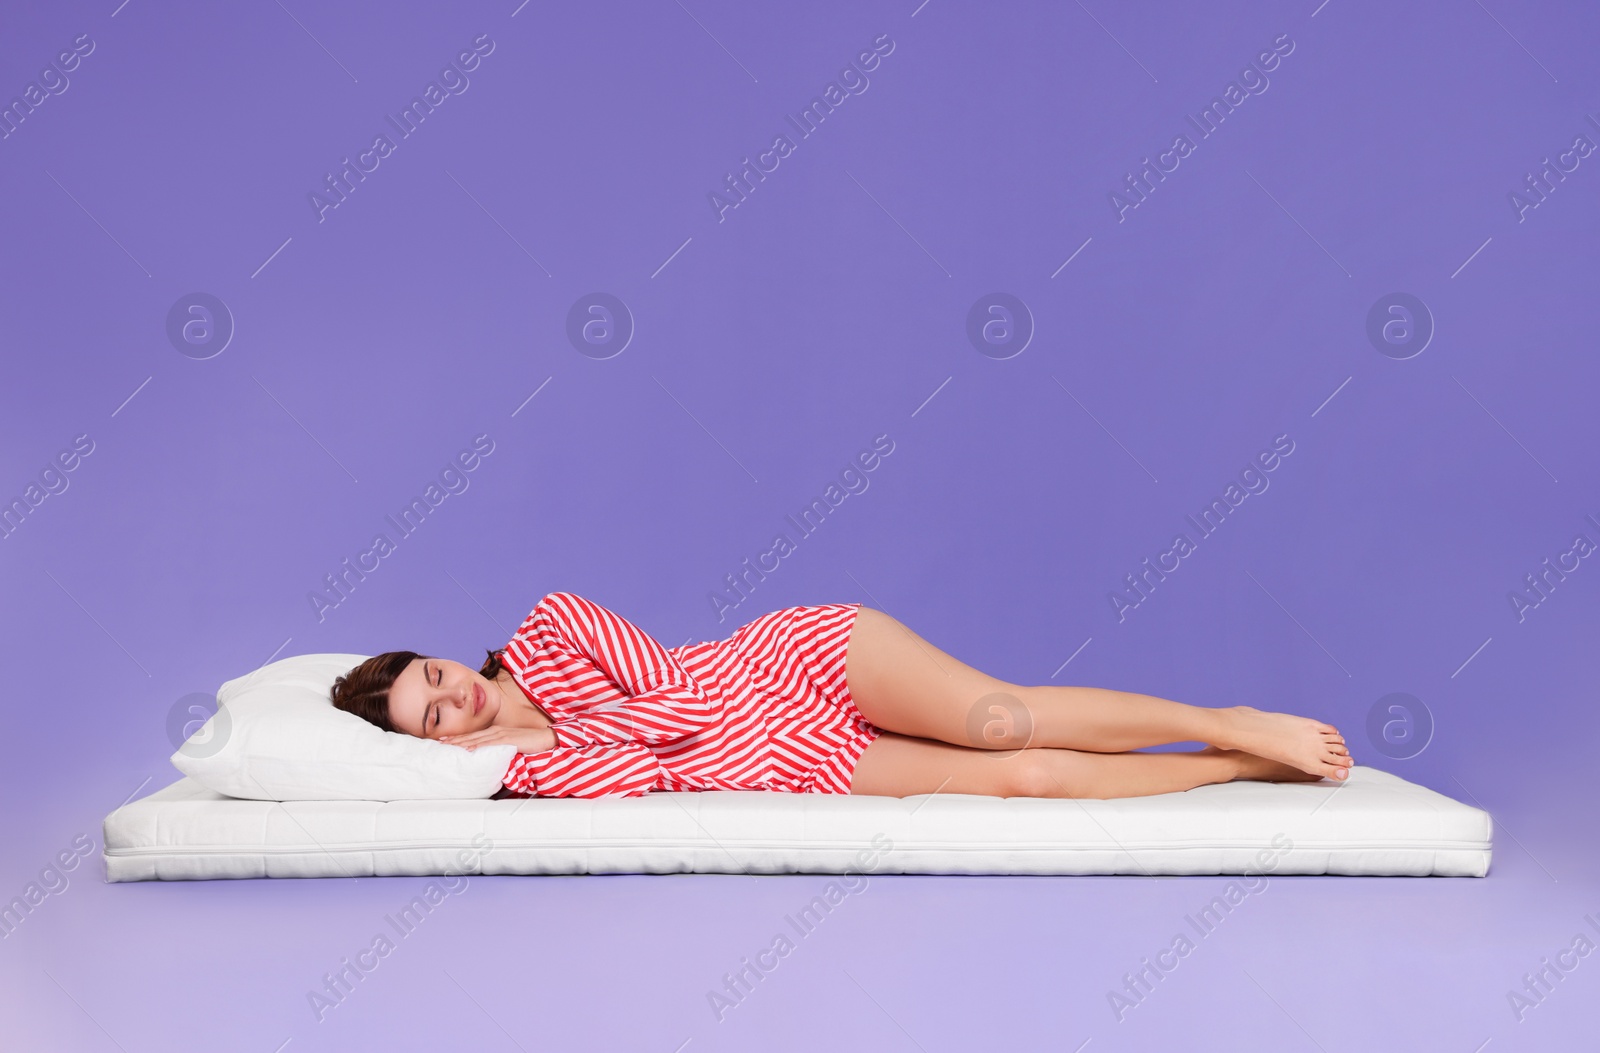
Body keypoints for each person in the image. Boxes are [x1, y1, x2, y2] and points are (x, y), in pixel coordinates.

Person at [330, 591, 1352, 800]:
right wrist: (510, 757)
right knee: (1026, 781)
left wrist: (593, 739)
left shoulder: (553, 624)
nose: (452, 697)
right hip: (790, 764)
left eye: (433, 676)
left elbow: (677, 708)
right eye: (433, 718)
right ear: (433, 746)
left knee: (1005, 720)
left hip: (795, 663)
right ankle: (1236, 765)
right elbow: (635, 768)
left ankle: (1223, 717)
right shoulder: (527, 774)